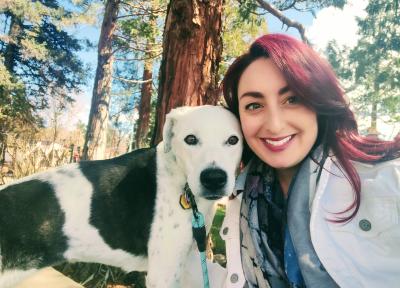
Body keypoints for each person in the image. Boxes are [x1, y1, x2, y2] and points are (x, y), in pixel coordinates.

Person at [218, 33, 400, 288]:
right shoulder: (242, 198)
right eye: (254, 106)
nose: (275, 124)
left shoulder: (388, 180)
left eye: (292, 99)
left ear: (318, 101)